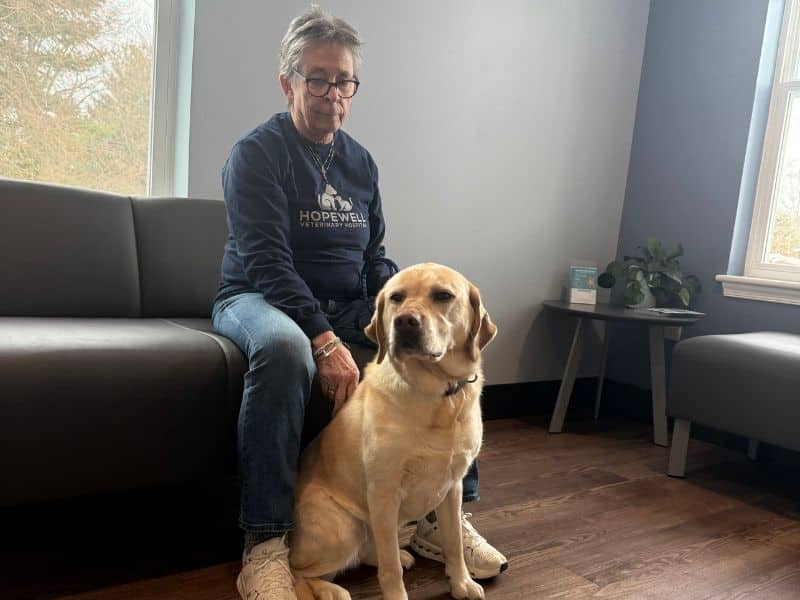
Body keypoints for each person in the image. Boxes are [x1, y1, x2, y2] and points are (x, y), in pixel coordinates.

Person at [211, 7, 507, 599]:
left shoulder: (359, 162)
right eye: (317, 79)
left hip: (346, 302)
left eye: (344, 81)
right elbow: (269, 263)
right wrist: (324, 340)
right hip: (256, 295)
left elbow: (375, 254)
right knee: (280, 349)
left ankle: (437, 516)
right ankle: (266, 543)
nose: (332, 94)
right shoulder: (257, 155)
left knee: (442, 351)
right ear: (288, 82)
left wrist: (398, 309)